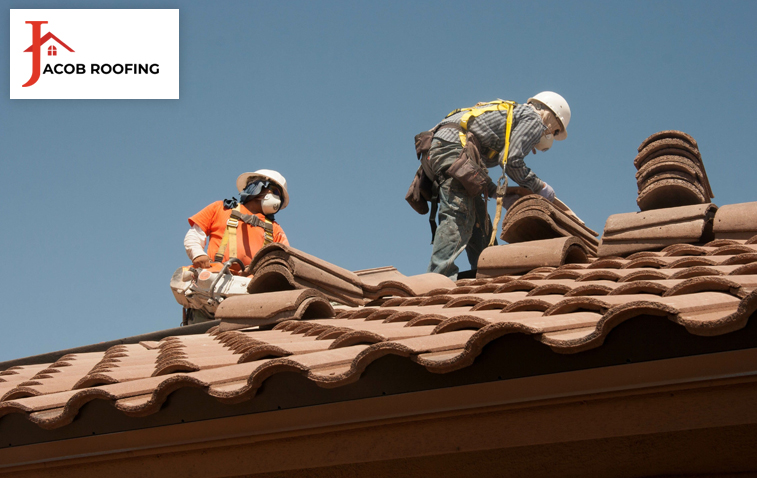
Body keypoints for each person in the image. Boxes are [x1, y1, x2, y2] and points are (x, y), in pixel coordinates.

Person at [425, 91, 571, 278]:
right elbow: (511, 160)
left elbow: (474, 164)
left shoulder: (512, 114)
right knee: (459, 214)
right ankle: (438, 278)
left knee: (479, 222)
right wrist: (539, 187)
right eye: (555, 131)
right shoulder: (535, 119)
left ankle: (489, 273)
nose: (549, 133)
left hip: (443, 148)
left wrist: (496, 192)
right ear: (553, 117)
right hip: (454, 149)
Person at [184, 169, 290, 271]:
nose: (277, 199)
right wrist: (198, 254)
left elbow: (285, 259)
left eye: (280, 197)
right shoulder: (220, 208)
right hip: (217, 275)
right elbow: (195, 235)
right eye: (275, 191)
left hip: (253, 284)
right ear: (258, 186)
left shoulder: (275, 228)